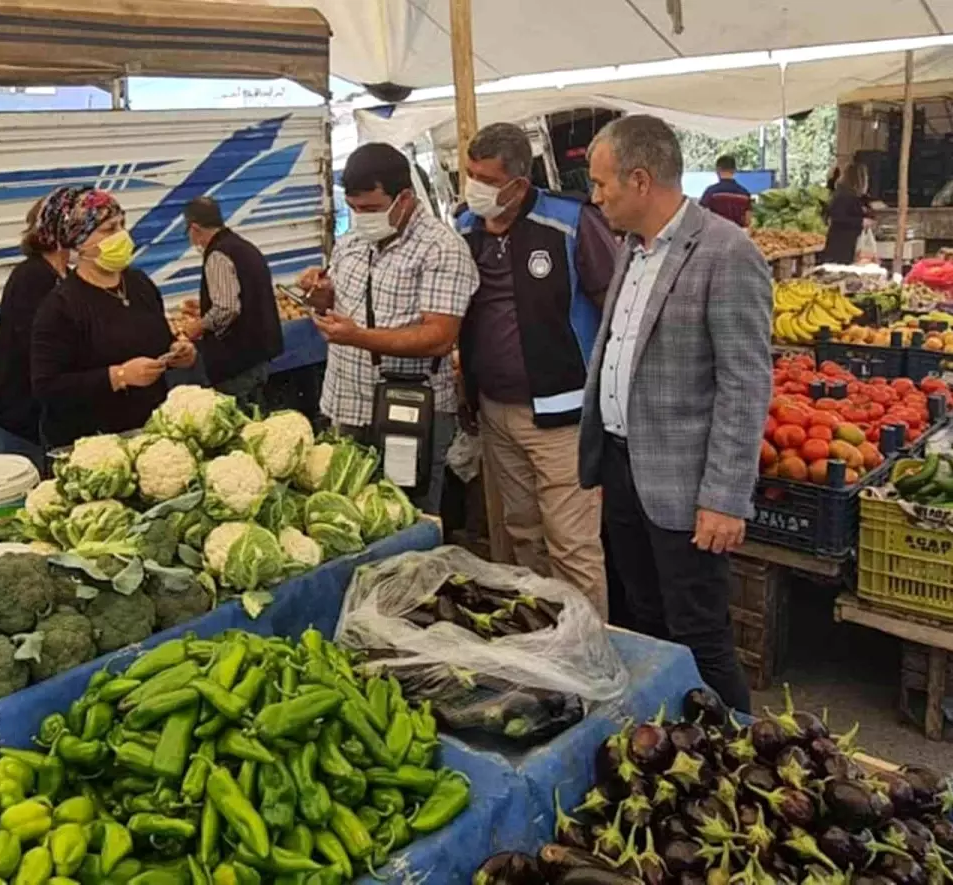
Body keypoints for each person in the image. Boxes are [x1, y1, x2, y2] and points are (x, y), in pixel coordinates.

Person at [579, 115, 772, 712]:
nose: (595, 196)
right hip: (622, 468)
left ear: (639, 180)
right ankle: (664, 736)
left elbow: (744, 384)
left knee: (698, 635)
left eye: (601, 183)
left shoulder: (726, 252)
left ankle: (741, 756)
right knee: (640, 621)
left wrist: (724, 496)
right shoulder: (631, 250)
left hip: (685, 488)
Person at [455, 122, 614, 617]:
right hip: (495, 412)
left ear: (518, 184)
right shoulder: (466, 227)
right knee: (522, 534)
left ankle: (590, 652)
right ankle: (543, 634)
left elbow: (615, 304)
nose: (472, 187)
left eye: (484, 178)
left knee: (572, 545)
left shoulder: (570, 222)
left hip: (563, 417)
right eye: (468, 174)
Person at [299, 143, 478, 514]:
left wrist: (358, 337)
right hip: (347, 405)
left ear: (406, 198)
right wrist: (319, 296)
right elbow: (340, 301)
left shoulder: (442, 248)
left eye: (371, 209)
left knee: (408, 514)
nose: (361, 217)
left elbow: (440, 337)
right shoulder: (350, 242)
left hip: (409, 409)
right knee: (348, 515)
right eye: (354, 208)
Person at [31, 188, 195, 448]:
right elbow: (47, 387)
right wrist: (118, 376)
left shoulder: (140, 284)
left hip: (152, 430)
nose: (122, 236)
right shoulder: (60, 307)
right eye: (109, 229)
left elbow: (160, 339)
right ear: (79, 241)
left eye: (122, 225)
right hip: (94, 443)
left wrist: (177, 351)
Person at [0, 191, 73, 471]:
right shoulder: (31, 277)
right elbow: (38, 345)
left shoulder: (65, 273)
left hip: (43, 409)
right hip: (18, 409)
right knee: (29, 485)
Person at [177, 196, 282, 409]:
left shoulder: (217, 254)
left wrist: (199, 326)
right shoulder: (244, 246)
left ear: (194, 228)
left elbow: (227, 307)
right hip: (258, 355)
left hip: (237, 363)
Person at [822, 162, 873, 265]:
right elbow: (837, 218)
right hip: (840, 245)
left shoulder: (852, 196)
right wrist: (860, 222)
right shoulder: (843, 196)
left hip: (848, 244)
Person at [698, 154, 751, 227]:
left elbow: (700, 217)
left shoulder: (711, 192)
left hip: (715, 234)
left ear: (717, 170)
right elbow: (747, 221)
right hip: (737, 235)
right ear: (734, 170)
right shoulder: (745, 194)